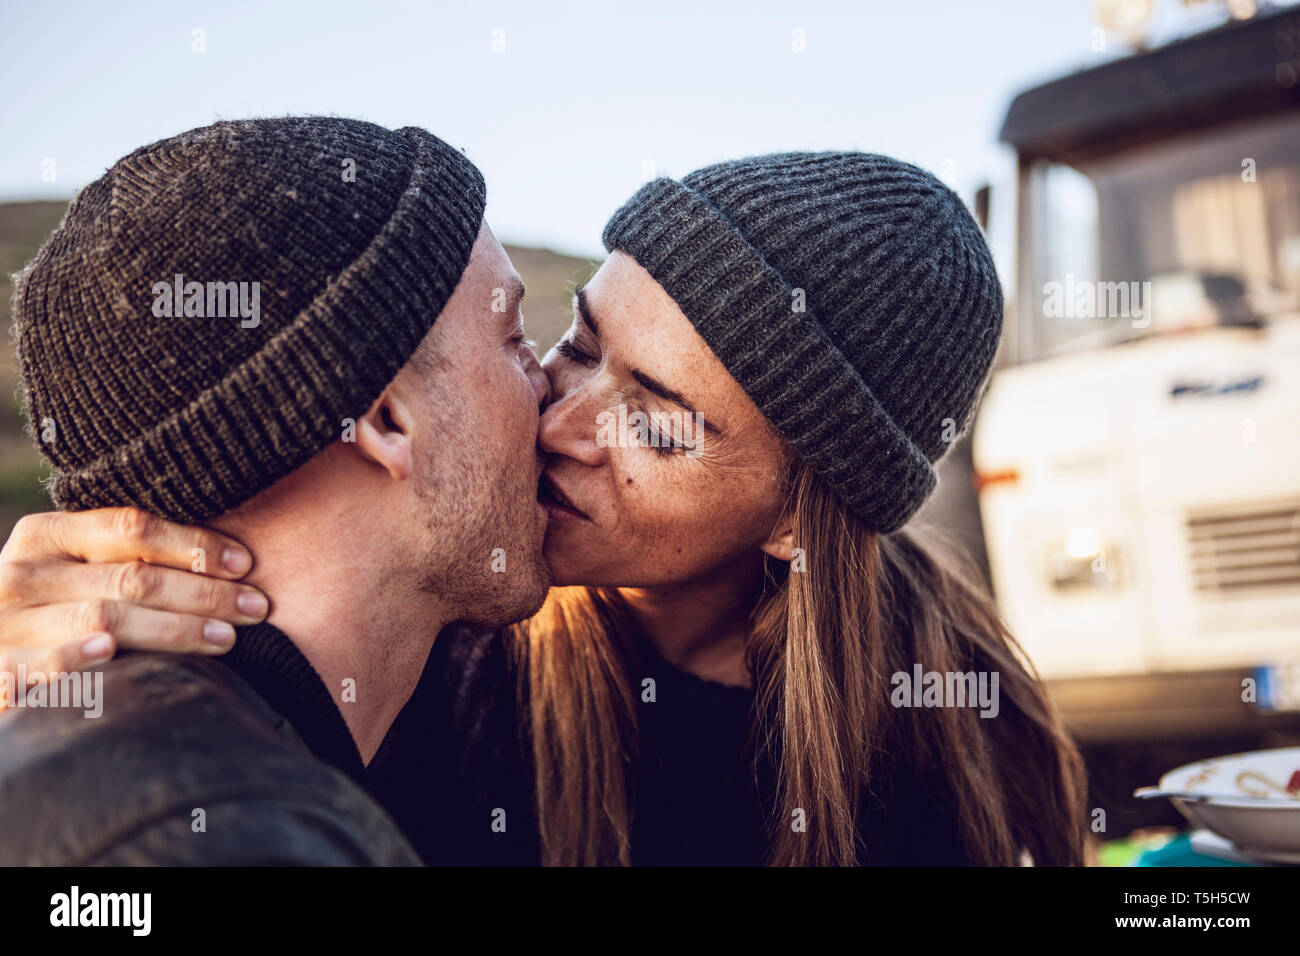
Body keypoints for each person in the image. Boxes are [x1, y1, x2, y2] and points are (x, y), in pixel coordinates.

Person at [1, 148, 1089, 866]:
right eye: (576, 344)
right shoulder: (421, 635)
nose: (560, 421)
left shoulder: (941, 730)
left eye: (657, 422)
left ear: (799, 516)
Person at [0, 116, 551, 864]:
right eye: (512, 338)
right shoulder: (216, 833)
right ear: (388, 419)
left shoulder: (294, 757)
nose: (547, 382)